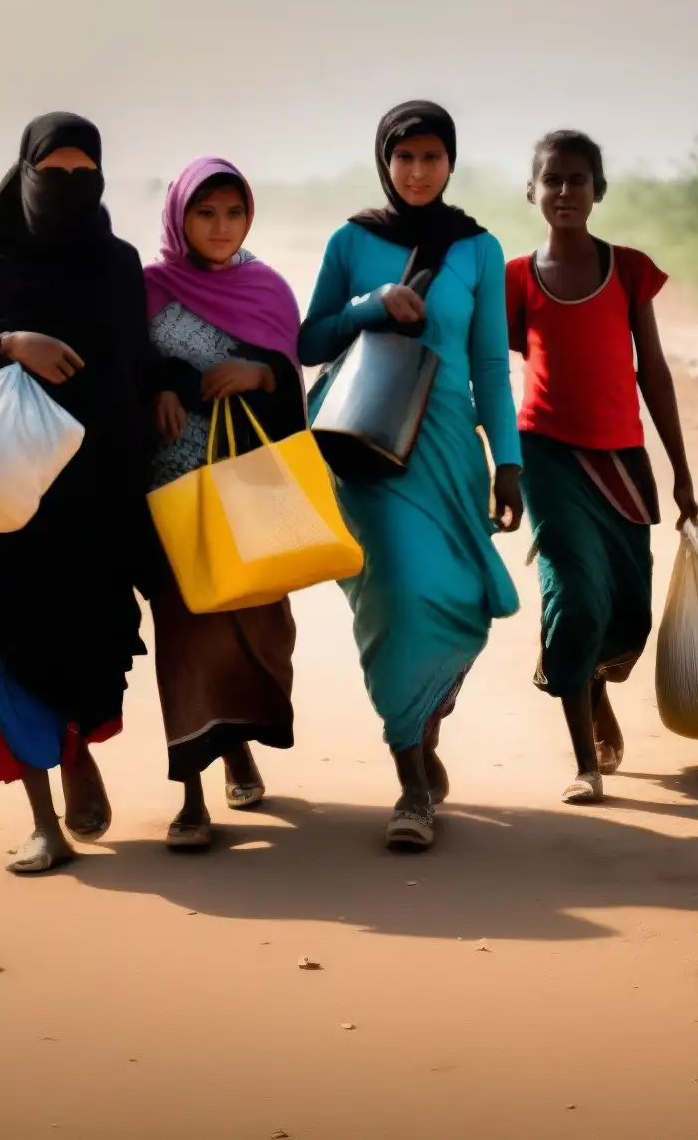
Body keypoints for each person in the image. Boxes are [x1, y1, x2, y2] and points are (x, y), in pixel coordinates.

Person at [0, 114, 153, 874]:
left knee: (95, 643)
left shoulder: (118, 265)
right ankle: (42, 819)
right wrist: (10, 343)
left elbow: (136, 370)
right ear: (23, 178)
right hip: (3, 504)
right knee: (12, 653)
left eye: (86, 177)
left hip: (98, 494)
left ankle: (77, 747)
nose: (70, 190)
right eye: (55, 176)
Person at [298, 100, 523, 851]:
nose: (417, 172)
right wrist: (368, 306)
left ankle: (421, 732)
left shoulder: (478, 250)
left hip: (451, 447)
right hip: (366, 446)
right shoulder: (351, 240)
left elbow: (490, 365)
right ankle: (411, 784)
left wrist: (509, 463)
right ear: (384, 163)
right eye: (404, 158)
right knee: (396, 596)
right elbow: (308, 339)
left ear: (451, 163)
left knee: (456, 597)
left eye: (431, 158)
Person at [507, 130, 698, 803]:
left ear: (598, 190)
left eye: (578, 180)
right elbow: (490, 364)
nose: (565, 192)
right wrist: (500, 466)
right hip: (548, 458)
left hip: (623, 461)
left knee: (625, 609)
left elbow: (654, 373)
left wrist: (681, 470)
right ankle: (583, 762)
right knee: (575, 597)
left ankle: (591, 685)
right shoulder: (515, 279)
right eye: (552, 180)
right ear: (530, 190)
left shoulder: (628, 271)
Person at [144, 157, 305, 851]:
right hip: (171, 490)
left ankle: (237, 746)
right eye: (205, 213)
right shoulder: (145, 288)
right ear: (180, 217)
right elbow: (121, 362)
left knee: (259, 627)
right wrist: (157, 387)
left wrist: (260, 372)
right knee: (184, 631)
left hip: (250, 486)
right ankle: (191, 794)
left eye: (233, 213)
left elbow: (293, 385)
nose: (219, 227)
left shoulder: (268, 288)